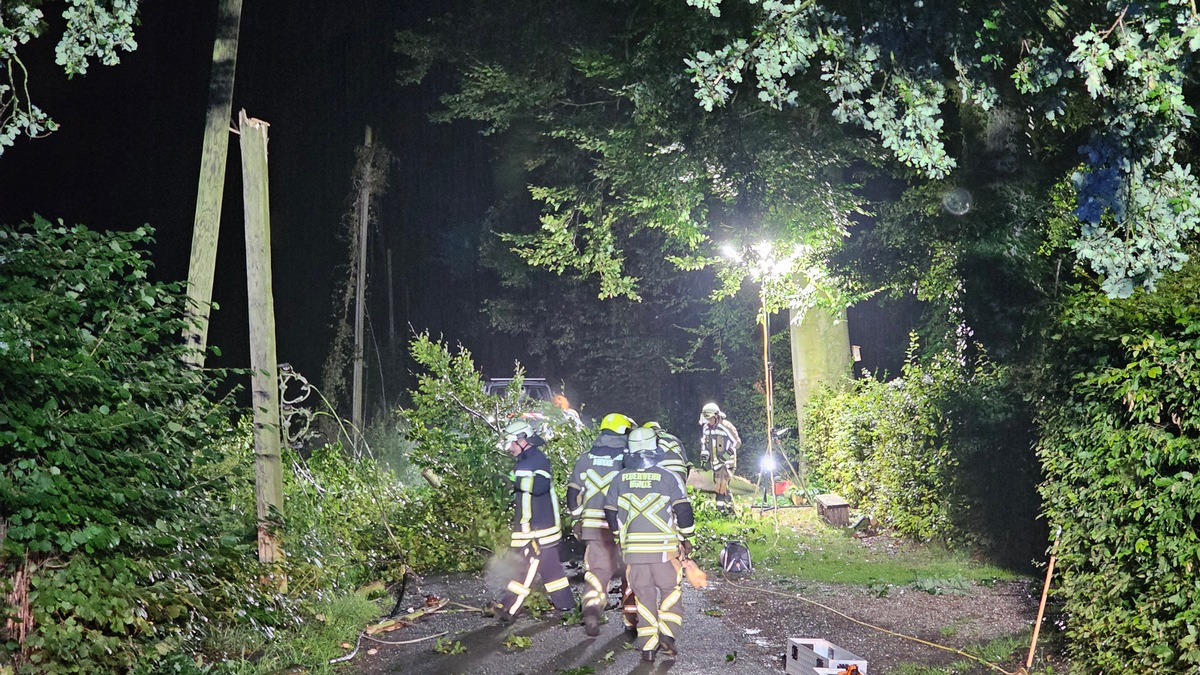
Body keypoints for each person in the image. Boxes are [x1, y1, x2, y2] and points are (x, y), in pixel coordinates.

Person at [604, 427, 696, 662]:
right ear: (655, 448)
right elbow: (683, 512)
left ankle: (647, 646)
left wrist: (619, 536)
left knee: (643, 597)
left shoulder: (618, 479)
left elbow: (611, 513)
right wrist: (687, 539)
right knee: (670, 591)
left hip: (634, 553)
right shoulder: (669, 477)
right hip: (664, 551)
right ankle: (668, 633)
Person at [496, 419, 575, 622]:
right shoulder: (524, 462)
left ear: (523, 440)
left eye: (512, 442)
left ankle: (509, 607)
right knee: (551, 569)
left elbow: (539, 486)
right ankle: (567, 606)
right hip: (533, 527)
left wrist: (514, 481)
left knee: (526, 567)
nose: (509, 447)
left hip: (538, 530)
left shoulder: (538, 461)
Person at [566, 412, 635, 637]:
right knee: (631, 571)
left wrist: (577, 517)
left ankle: (592, 606)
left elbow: (572, 492)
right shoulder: (628, 458)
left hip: (592, 525)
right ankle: (633, 620)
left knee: (596, 571)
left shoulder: (586, 458)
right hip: (621, 526)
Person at [698, 402, 741, 515]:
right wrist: (704, 457)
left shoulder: (726, 426)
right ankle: (729, 509)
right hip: (715, 463)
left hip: (727, 463)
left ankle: (721, 509)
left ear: (716, 416)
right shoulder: (706, 428)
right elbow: (705, 444)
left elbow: (737, 442)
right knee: (721, 486)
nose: (709, 422)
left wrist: (726, 455)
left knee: (721, 484)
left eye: (710, 419)